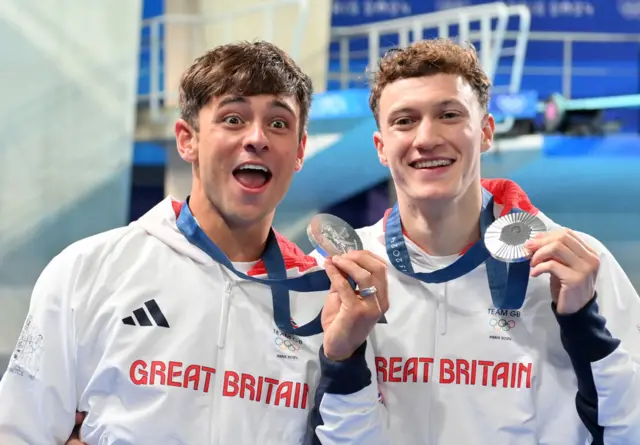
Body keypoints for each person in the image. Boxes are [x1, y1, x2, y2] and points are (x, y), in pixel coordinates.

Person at [0, 41, 388, 445]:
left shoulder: (324, 299)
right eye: (233, 119)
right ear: (187, 140)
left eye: (278, 123)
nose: (257, 138)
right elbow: (20, 430)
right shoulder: (89, 270)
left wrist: (347, 360)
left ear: (299, 150)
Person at [309, 39, 640, 444]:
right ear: (381, 147)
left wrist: (584, 323)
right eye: (404, 121)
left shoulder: (579, 267)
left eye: (449, 115)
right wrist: (342, 359)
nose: (426, 137)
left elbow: (630, 429)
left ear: (485, 132)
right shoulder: (338, 274)